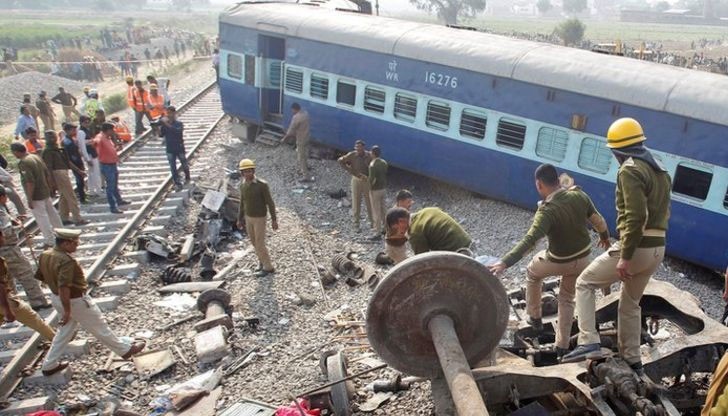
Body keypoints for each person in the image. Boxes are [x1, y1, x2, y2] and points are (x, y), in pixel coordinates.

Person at [562, 118, 671, 374]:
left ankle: (588, 341)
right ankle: (633, 360)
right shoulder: (660, 169)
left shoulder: (630, 170)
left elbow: (636, 217)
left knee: (585, 283)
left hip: (637, 248)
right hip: (658, 248)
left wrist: (626, 256)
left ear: (617, 150)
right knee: (630, 303)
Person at [488, 164, 610, 354]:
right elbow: (599, 221)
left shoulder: (547, 211)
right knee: (567, 299)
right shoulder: (580, 196)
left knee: (532, 272)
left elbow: (530, 241)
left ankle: (535, 317)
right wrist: (604, 236)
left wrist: (505, 262)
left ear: (539, 184)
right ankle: (561, 347)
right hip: (584, 259)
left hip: (559, 261)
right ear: (558, 180)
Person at [38, 228, 146, 376]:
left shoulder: (45, 255)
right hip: (73, 301)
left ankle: (49, 365)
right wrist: (68, 310)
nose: (77, 245)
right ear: (65, 243)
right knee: (99, 326)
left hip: (57, 299)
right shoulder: (66, 261)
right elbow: (64, 287)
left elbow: (42, 277)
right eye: (74, 243)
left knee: (64, 332)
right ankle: (125, 350)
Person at [0, 229, 54, 339]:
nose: (4, 237)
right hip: (4, 301)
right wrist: (7, 309)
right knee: (33, 318)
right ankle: (56, 340)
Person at [10, 142, 64, 247]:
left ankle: (50, 241)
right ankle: (62, 234)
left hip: (36, 195)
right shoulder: (35, 157)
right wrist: (50, 187)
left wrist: (29, 199)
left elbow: (30, 182)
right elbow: (46, 173)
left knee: (41, 218)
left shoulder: (24, 163)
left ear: (16, 152)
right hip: (45, 191)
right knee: (53, 214)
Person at [236, 159, 277, 277]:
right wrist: (239, 219)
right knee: (254, 242)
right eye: (245, 172)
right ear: (242, 173)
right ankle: (261, 261)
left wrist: (274, 219)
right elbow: (242, 203)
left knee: (259, 243)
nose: (248, 174)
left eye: (250, 171)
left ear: (253, 171)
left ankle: (268, 267)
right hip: (248, 218)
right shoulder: (243, 185)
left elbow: (270, 202)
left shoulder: (262, 185)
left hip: (260, 218)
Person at [386, 206, 472, 257]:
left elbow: (422, 261)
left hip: (460, 254)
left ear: (401, 221)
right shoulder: (426, 211)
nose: (397, 232)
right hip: (467, 242)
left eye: (395, 228)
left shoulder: (415, 233)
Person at [42, 130, 88, 226]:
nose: (51, 138)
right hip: (58, 174)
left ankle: (64, 218)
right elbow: (48, 168)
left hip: (63, 172)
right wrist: (51, 182)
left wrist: (78, 171)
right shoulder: (48, 151)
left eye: (53, 136)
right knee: (71, 196)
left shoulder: (58, 148)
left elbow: (67, 162)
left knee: (64, 196)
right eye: (49, 137)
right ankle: (77, 219)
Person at [93, 123, 128, 214]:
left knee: (114, 185)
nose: (113, 132)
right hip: (106, 165)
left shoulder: (107, 138)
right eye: (112, 130)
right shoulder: (101, 137)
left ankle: (119, 200)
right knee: (110, 187)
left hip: (112, 164)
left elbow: (110, 150)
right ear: (108, 130)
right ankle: (113, 207)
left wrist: (117, 147)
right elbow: (96, 141)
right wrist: (93, 142)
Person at [338, 140, 373, 231]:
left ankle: (372, 223)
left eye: (360, 147)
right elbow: (340, 161)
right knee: (356, 202)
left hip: (366, 180)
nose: (358, 149)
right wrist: (349, 170)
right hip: (356, 179)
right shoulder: (352, 155)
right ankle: (356, 224)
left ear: (363, 148)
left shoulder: (369, 155)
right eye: (356, 147)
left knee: (369, 202)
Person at [160, 106, 190, 188]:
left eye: (170, 113)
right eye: (167, 113)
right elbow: (161, 135)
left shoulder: (179, 123)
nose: (169, 115)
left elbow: (177, 132)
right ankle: (177, 182)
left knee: (184, 163)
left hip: (179, 147)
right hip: (170, 148)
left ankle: (187, 176)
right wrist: (158, 127)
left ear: (174, 113)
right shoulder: (165, 125)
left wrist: (166, 124)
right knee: (172, 166)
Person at [281, 103, 311, 181]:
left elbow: (291, 130)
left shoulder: (296, 117)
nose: (292, 111)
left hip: (301, 139)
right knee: (305, 154)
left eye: (292, 110)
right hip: (307, 137)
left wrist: (284, 139)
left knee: (301, 157)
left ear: (294, 109)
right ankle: (306, 167)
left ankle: (306, 176)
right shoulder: (305, 113)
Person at [384, 190, 415, 264]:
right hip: (396, 247)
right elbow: (399, 234)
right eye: (408, 202)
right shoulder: (396, 217)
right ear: (400, 202)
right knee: (402, 265)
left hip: (399, 246)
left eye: (411, 201)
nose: (411, 204)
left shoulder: (402, 213)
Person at [60, 123, 87, 204]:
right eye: (73, 130)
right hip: (74, 163)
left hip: (78, 162)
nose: (75, 131)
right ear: (67, 131)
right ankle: (82, 198)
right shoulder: (66, 142)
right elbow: (67, 157)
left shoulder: (72, 139)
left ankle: (83, 195)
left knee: (81, 180)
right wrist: (76, 168)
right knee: (79, 181)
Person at [78, 116, 102, 197]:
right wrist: (87, 158)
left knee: (92, 173)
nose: (87, 124)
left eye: (88, 122)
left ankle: (92, 190)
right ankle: (98, 190)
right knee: (95, 172)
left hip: (91, 153)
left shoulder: (85, 130)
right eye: (85, 122)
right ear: (81, 122)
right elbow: (82, 146)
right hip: (90, 154)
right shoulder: (81, 132)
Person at [368, 145, 388, 238]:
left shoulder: (372, 165)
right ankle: (386, 229)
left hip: (375, 190)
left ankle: (377, 232)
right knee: (384, 210)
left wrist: (369, 187)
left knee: (376, 211)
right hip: (383, 189)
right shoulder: (384, 162)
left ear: (373, 153)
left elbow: (372, 179)